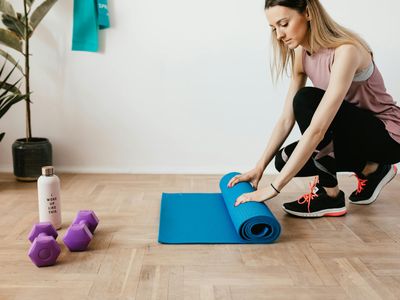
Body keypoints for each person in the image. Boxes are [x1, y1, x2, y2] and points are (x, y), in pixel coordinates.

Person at [227, 0, 400, 217]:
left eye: (284, 23)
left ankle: (330, 195)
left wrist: (273, 188)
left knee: (306, 99)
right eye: (274, 28)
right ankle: (371, 170)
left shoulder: (347, 51)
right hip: (355, 135)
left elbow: (318, 128)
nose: (279, 35)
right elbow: (286, 119)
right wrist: (259, 167)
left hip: (388, 137)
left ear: (308, 13)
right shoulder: (302, 53)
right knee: (284, 161)